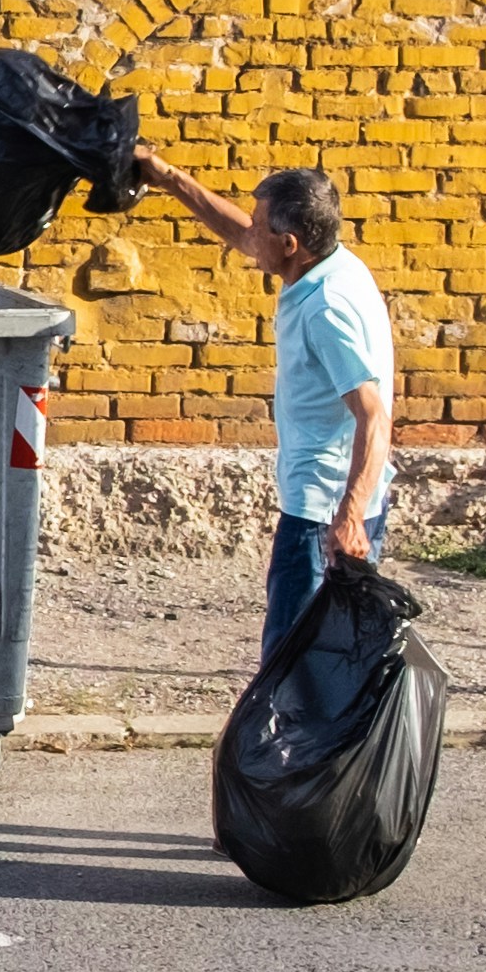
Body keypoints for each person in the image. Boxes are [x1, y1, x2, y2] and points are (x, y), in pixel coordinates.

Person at [133, 151, 396, 663]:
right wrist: (170, 177)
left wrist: (350, 516)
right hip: (336, 506)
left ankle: (288, 745)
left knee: (292, 662)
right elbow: (240, 232)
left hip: (325, 515)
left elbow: (373, 414)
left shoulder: (327, 309)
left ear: (291, 244)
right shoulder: (333, 265)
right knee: (326, 660)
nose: (250, 238)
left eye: (261, 227)